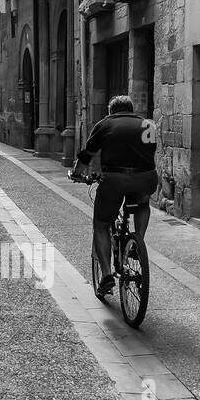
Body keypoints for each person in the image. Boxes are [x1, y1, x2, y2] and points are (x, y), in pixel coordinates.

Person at [72, 95, 159, 297]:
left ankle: (106, 276)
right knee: (143, 203)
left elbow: (88, 154)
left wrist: (77, 173)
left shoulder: (104, 124)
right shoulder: (147, 124)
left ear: (112, 111)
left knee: (101, 224)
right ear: (131, 109)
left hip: (115, 180)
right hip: (146, 178)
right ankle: (137, 242)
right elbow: (150, 151)